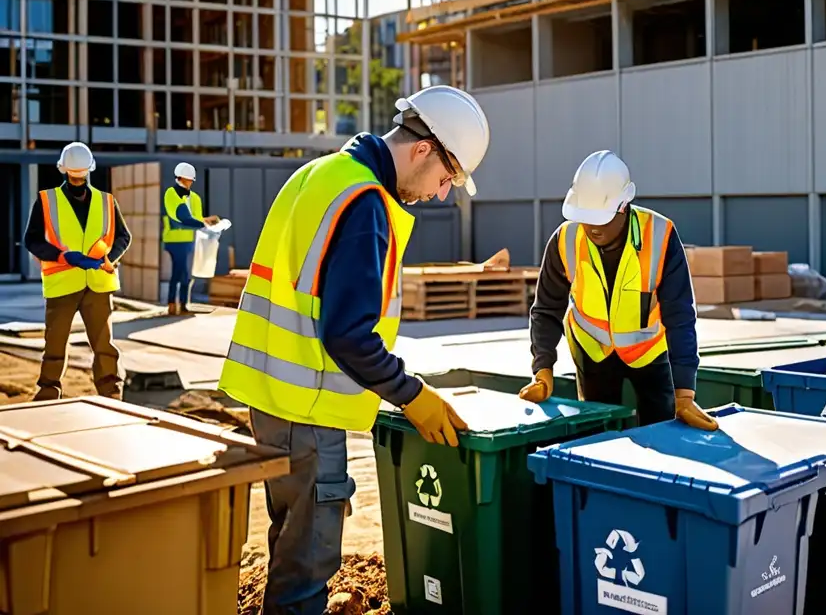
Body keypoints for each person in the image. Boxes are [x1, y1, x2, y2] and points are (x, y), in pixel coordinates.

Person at [217, 85, 491, 615]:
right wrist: (411, 394)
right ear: (422, 150)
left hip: (272, 402)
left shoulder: (317, 175)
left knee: (289, 547)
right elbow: (348, 335)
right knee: (307, 570)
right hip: (310, 411)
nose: (439, 194)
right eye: (446, 178)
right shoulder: (364, 202)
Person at [520, 150, 718, 431]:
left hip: (649, 352)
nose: (591, 227)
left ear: (623, 206)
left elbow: (680, 316)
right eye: (584, 217)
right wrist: (543, 368)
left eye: (599, 218)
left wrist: (684, 392)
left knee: (660, 430)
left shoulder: (660, 235)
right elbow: (546, 309)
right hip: (592, 351)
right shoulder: (565, 240)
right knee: (596, 435)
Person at [23, 142, 132, 401]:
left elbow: (123, 237)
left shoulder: (107, 202)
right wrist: (62, 255)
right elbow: (33, 240)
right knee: (55, 343)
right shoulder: (47, 200)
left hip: (98, 283)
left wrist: (108, 258)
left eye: (80, 174)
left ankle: (110, 390)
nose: (78, 178)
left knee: (104, 343)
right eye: (75, 174)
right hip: (63, 283)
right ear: (65, 172)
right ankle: (49, 390)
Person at [162, 162, 219, 315]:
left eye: (191, 180)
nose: (190, 183)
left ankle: (180, 304)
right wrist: (202, 222)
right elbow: (179, 219)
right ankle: (174, 304)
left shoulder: (195, 198)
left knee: (186, 274)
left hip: (189, 240)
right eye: (188, 179)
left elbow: (196, 220)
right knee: (179, 272)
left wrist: (207, 222)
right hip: (174, 240)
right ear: (180, 178)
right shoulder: (171, 194)